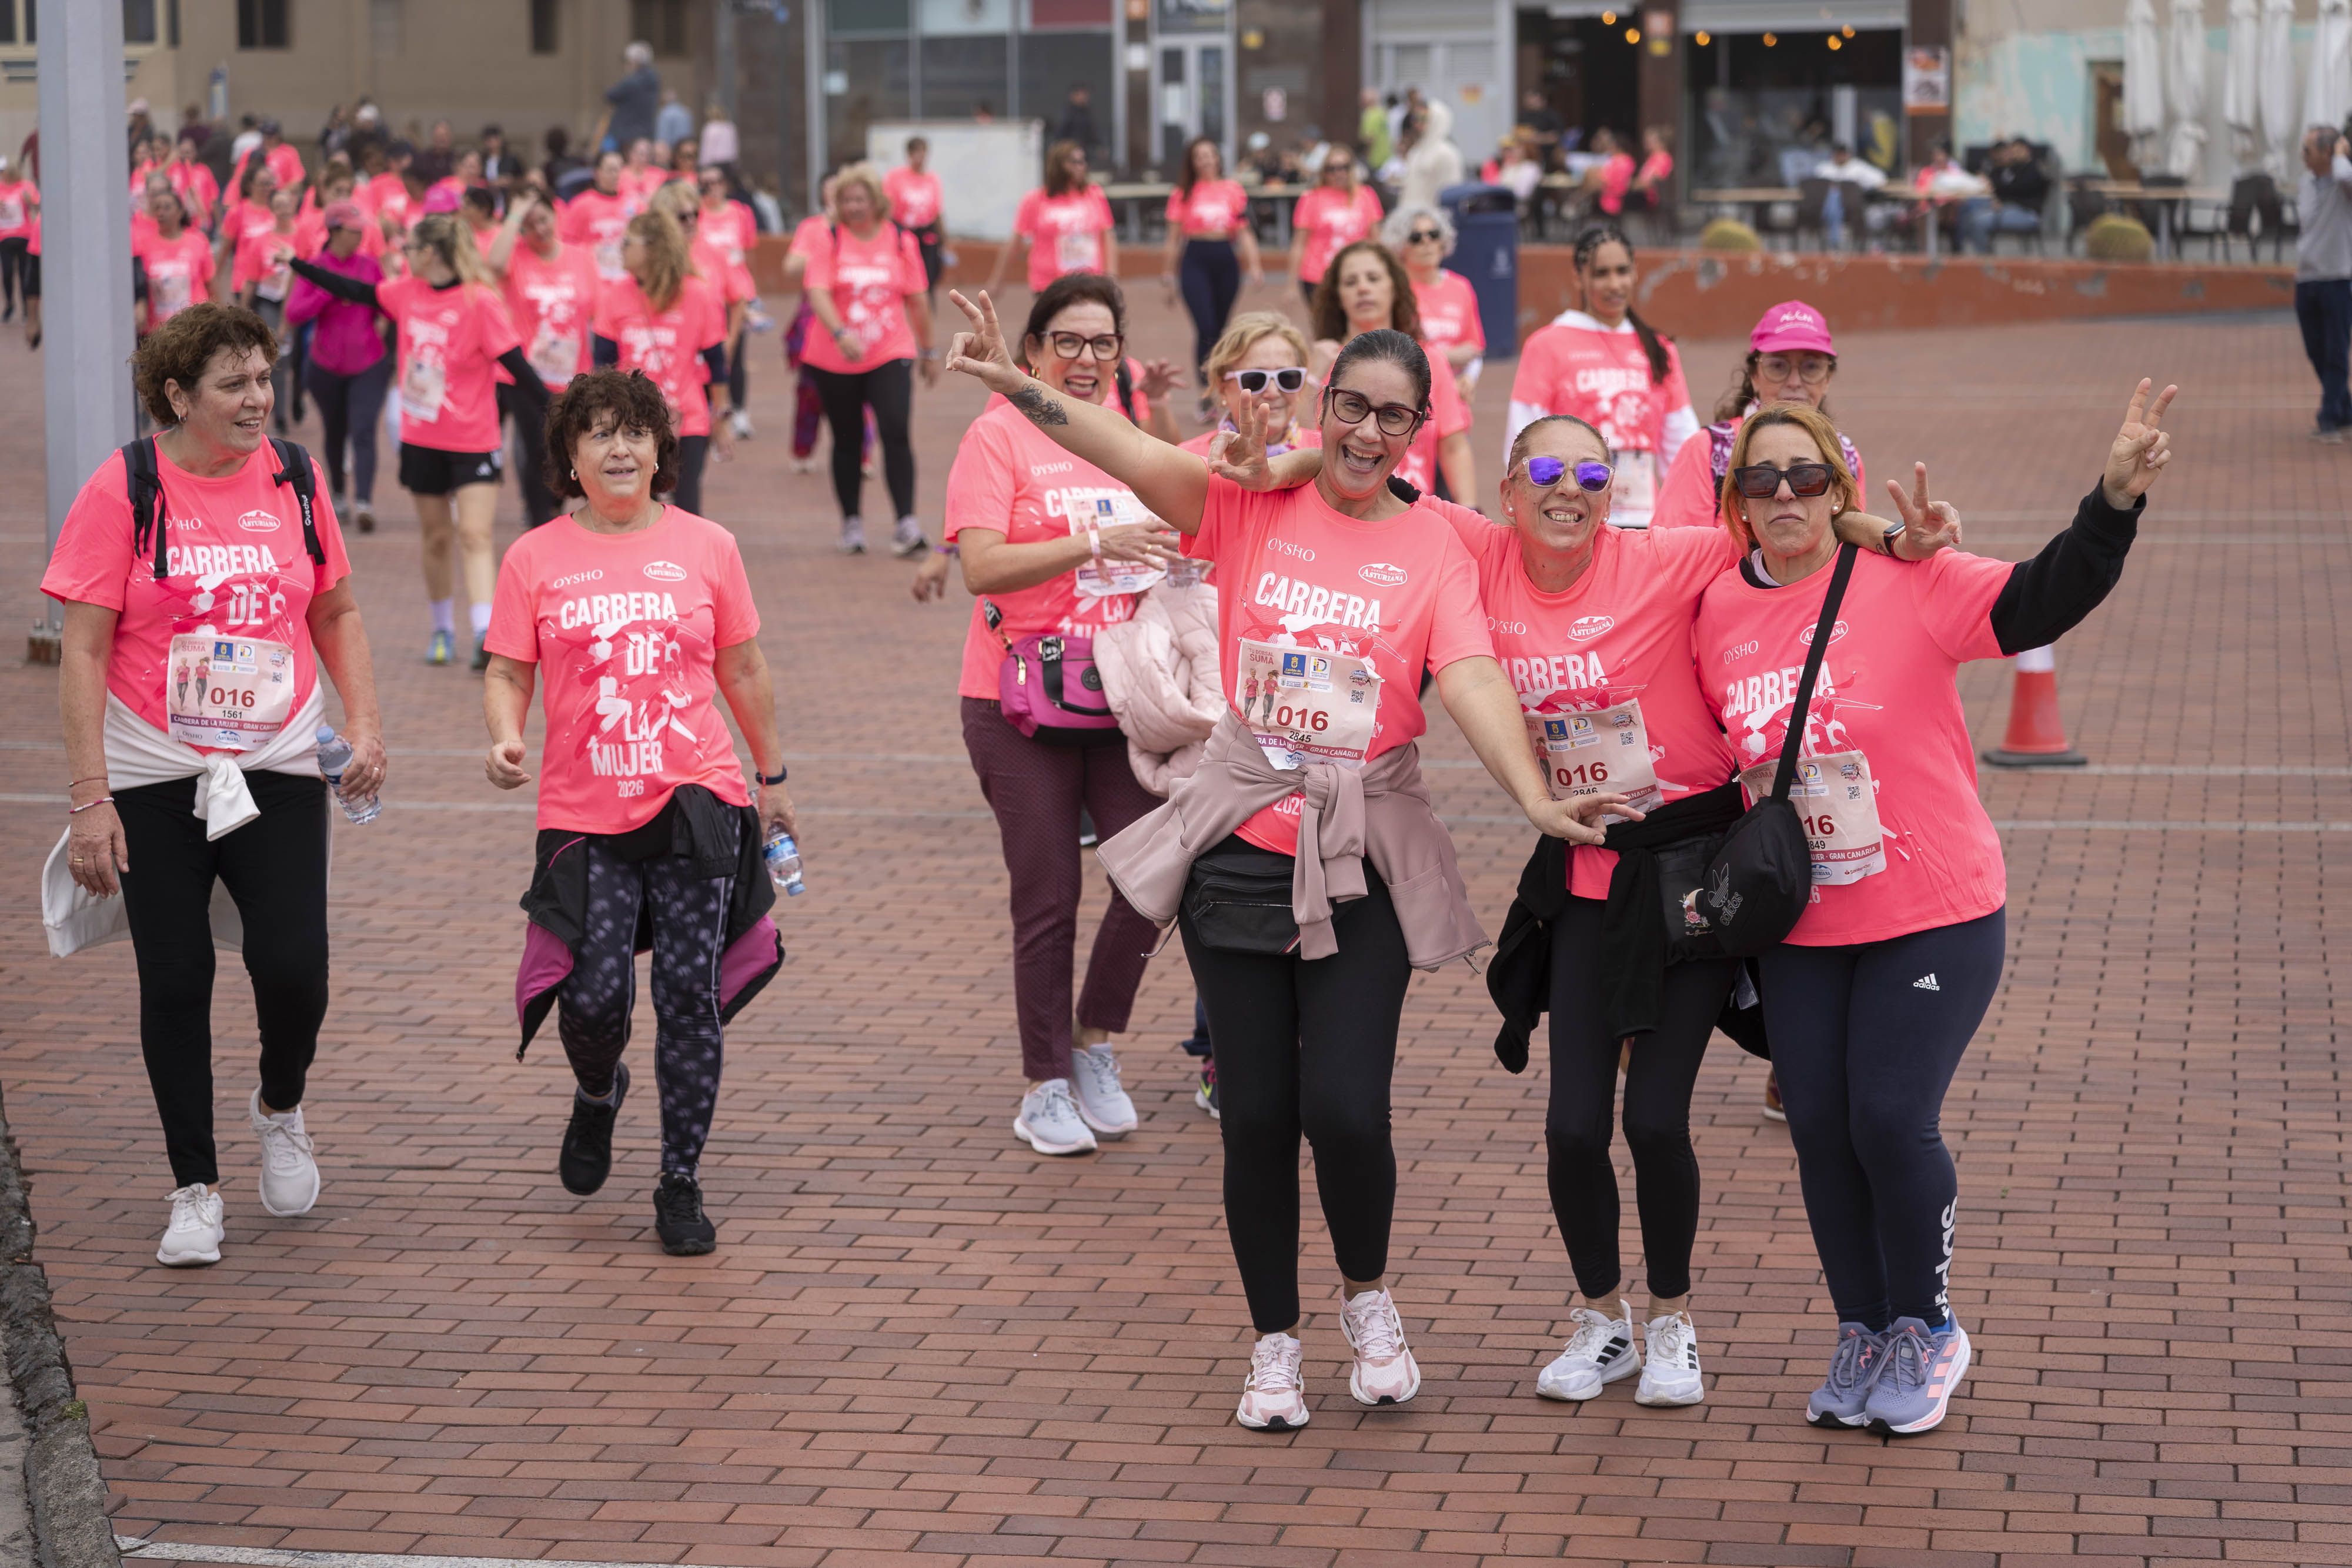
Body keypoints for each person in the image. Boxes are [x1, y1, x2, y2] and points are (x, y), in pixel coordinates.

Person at [940, 288, 1629, 1432]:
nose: (1367, 431)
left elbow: (1467, 673)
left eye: (1393, 415)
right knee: (1256, 1114)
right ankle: (1274, 1343)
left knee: (1346, 1109)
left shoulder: (1436, 541)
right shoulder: (1245, 501)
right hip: (1237, 845)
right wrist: (1013, 384)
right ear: (1325, 403)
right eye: (1350, 406)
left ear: (1417, 429)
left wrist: (1535, 796)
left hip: (1363, 855)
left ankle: (1367, 1297)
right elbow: (1119, 446)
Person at [1691, 383, 2175, 1435]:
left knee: (1887, 1116)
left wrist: (2112, 502)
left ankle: (1928, 1327)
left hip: (1934, 907)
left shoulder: (1910, 576)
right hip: (1805, 923)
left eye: (1806, 475)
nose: (1785, 494)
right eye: (1762, 478)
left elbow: (2041, 600)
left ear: (1839, 488)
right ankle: (1864, 1329)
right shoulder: (1717, 609)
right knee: (1820, 1127)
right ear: (1736, 501)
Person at [42, 302, 385, 1269]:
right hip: (154, 768)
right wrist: (90, 795)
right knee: (176, 974)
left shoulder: (295, 476)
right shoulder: (126, 485)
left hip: (275, 758)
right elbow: (83, 649)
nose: (257, 399)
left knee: (295, 964)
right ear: (177, 395)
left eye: (264, 378)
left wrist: (364, 723)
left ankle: (281, 1103)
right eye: (233, 384)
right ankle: (194, 1186)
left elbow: (337, 610)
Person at [485, 367, 791, 1257]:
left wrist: (773, 776)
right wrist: (504, 736)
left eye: (636, 432)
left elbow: (742, 666)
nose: (619, 448)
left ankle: (679, 1179)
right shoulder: (534, 556)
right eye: (599, 433)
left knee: (688, 996)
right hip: (584, 808)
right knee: (593, 996)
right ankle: (597, 1090)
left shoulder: (709, 545)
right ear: (570, 457)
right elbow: (507, 669)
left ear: (660, 451)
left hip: (698, 796)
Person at [926, 273, 1180, 1158]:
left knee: (1155, 874)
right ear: (1032, 352)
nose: (1084, 358)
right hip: (1016, 701)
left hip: (1122, 696)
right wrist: (1094, 543)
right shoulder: (997, 434)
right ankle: (1044, 1085)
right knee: (1049, 894)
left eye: (1102, 342)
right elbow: (983, 568)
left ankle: (1091, 1039)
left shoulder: (1125, 438)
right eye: (1066, 341)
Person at [289, 215, 554, 668]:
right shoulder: (406, 293)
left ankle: (483, 631)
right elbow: (352, 290)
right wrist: (296, 264)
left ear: (430, 253)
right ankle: (442, 629)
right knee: (436, 538)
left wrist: (561, 411)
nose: (405, 255)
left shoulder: (479, 301)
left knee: (475, 534)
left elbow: (518, 365)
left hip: (474, 439)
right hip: (423, 439)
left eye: (411, 248)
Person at [1505, 225, 1695, 530]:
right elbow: (1522, 441)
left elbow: (1682, 445)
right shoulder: (1546, 345)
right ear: (1578, 277)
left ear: (1635, 272)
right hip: (1575, 515)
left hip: (1645, 519)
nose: (1614, 284)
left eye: (1622, 271)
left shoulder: (1660, 349)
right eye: (1601, 274)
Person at [794, 162, 934, 557]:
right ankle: (852, 522)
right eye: (846, 200)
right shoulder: (829, 238)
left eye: (860, 199)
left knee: (896, 429)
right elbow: (817, 291)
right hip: (834, 356)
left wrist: (928, 350)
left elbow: (918, 299)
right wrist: (841, 332)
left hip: (890, 351)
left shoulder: (901, 240)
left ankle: (906, 523)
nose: (854, 206)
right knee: (848, 438)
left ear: (877, 201)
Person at [1654, 299, 1867, 549]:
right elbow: (1672, 553)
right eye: (1778, 366)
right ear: (1754, 375)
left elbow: (1851, 546)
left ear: (1828, 378)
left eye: (1811, 367)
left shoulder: (1846, 455)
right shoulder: (1706, 450)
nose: (1795, 381)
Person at [591, 208, 735, 517]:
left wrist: (721, 418)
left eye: (628, 242)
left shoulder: (697, 294)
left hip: (688, 418)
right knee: (640, 510)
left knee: (687, 510)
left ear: (652, 248)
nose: (621, 248)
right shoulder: (615, 295)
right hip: (632, 423)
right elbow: (601, 365)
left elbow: (717, 363)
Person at [1309, 239, 1473, 499]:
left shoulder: (1430, 360)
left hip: (1411, 509)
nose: (1363, 288)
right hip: (1338, 507)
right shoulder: (1321, 362)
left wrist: (1469, 507)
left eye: (1373, 278)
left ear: (1394, 288)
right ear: (1338, 297)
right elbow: (1302, 441)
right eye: (1351, 282)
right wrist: (1311, 377)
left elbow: (1453, 447)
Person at [487, 190, 600, 527]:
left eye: (544, 219)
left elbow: (595, 311)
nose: (539, 229)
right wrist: (514, 214)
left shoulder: (580, 257)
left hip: (573, 373)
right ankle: (539, 519)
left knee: (567, 445)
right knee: (537, 445)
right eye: (530, 224)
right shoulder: (515, 256)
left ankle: (553, 505)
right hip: (525, 375)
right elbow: (493, 264)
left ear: (555, 216)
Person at [286, 201, 392, 534]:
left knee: (363, 429)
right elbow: (294, 312)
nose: (360, 236)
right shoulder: (316, 268)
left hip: (368, 363)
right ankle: (340, 494)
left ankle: (364, 502)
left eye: (362, 231)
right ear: (333, 231)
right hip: (326, 366)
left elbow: (388, 305)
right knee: (335, 430)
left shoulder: (369, 265)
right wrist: (327, 294)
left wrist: (382, 323)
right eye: (353, 231)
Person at [1161, 136, 1264, 402]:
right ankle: (1204, 392)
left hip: (1226, 260)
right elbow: (1173, 239)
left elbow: (1245, 232)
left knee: (1219, 329)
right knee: (1205, 326)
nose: (1206, 160)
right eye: (1199, 156)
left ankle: (1221, 387)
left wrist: (1255, 265)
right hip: (1195, 260)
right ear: (1192, 162)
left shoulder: (1232, 190)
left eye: (1210, 154)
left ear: (1218, 158)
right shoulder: (1183, 194)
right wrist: (1168, 275)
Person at [1180, 311, 1318, 463]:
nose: (1273, 392)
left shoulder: (1325, 455)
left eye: (1287, 378)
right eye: (1255, 380)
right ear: (1222, 387)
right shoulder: (1190, 460)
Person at [988, 141, 1116, 297]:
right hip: (1050, 285)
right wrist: (997, 281)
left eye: (1083, 161)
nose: (1081, 166)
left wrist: (1111, 277)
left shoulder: (1094, 194)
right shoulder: (1035, 200)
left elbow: (1107, 236)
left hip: (1089, 282)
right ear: (1058, 165)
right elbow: (1015, 243)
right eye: (1075, 162)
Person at [1385, 205, 1484, 393]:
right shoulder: (1393, 290)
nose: (1427, 242)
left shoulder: (1461, 287)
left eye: (1434, 234)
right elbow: (1390, 353)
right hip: (1408, 393)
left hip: (1453, 393)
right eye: (1416, 238)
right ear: (1400, 246)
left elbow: (1474, 349)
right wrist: (1446, 356)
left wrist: (1468, 380)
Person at [694, 166, 762, 439]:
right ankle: (709, 411)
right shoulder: (694, 215)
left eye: (717, 182)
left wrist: (751, 290)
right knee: (708, 355)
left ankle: (740, 412)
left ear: (726, 184)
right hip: (706, 293)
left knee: (736, 352)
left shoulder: (739, 213)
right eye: (705, 183)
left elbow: (749, 254)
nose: (712, 187)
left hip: (736, 295)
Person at [232, 185, 305, 433]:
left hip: (300, 304)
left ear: (294, 205)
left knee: (301, 359)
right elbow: (252, 279)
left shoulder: (303, 237)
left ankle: (297, 398)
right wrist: (242, 312)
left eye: (287, 204)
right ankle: (280, 415)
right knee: (278, 356)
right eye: (278, 206)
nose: (284, 210)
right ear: (272, 209)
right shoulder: (261, 241)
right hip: (270, 303)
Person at [2296, 126, 2352, 443]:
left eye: (2308, 150)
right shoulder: (2306, 182)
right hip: (2306, 278)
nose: (2303, 156)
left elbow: (2345, 176)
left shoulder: (2344, 184)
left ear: (2327, 153)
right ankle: (2345, 410)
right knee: (2315, 349)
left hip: (2337, 278)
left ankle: (2329, 417)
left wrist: (2342, 154)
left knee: (2336, 351)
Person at [1287, 146, 1384, 309]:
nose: (1339, 173)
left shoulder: (1366, 195)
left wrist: (1381, 270)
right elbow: (1299, 243)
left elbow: (1376, 239)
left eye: (1344, 167)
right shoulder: (1311, 198)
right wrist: (1291, 284)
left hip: (1356, 274)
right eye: (1332, 169)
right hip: (1318, 276)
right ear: (1324, 172)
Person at [134, 186, 213, 336]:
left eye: (167, 207)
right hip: (159, 330)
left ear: (180, 212)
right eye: (157, 208)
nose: (161, 213)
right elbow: (139, 284)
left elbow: (211, 283)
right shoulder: (144, 245)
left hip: (195, 327)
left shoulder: (197, 241)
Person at [562, 149, 637, 282]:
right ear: (597, 173)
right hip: (592, 276)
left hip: (625, 276)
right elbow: (567, 245)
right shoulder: (581, 204)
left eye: (619, 170)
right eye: (611, 170)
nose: (616, 175)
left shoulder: (634, 202)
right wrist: (591, 250)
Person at [886, 138, 947, 296]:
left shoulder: (932, 179)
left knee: (930, 272)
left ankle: (928, 303)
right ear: (909, 155)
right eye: (915, 152)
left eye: (922, 152)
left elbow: (937, 210)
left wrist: (944, 239)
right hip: (904, 231)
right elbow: (888, 208)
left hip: (927, 232)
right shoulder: (896, 177)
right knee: (905, 273)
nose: (919, 157)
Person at [1813, 142, 1889, 248]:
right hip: (1827, 209)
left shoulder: (1857, 167)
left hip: (1854, 208)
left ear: (1847, 154)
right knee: (1833, 197)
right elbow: (1813, 186)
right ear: (1833, 155)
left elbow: (1881, 178)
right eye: (1838, 154)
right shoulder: (1824, 168)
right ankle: (1834, 241)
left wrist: (1863, 186)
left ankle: (1834, 242)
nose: (1841, 156)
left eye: (1843, 153)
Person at [1396, 101, 1465, 216]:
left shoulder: (1447, 154)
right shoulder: (1416, 152)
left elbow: (1450, 194)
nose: (1418, 125)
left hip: (1432, 220)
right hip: (1410, 218)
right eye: (1416, 119)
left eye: (1424, 119)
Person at [1983, 138, 2048, 246]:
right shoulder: (2017, 168)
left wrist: (2003, 202)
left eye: (2018, 151)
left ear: (2027, 151)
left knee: (1979, 222)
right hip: (2012, 208)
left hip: (2027, 213)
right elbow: (2003, 185)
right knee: (1972, 210)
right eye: (2013, 151)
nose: (2015, 154)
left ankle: (1984, 254)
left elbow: (2018, 190)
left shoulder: (2034, 171)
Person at [0, 155, 35, 325]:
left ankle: (27, 309)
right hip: (5, 238)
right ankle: (9, 304)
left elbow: (37, 202)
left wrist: (30, 201)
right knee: (7, 272)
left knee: (23, 274)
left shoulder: (25, 186)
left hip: (23, 237)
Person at [1053, 84, 1100, 163]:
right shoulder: (1067, 113)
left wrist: (1098, 146)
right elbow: (1060, 133)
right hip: (1070, 150)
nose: (1083, 98)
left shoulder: (1087, 113)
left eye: (1085, 95)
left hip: (1084, 150)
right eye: (1080, 95)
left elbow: (1092, 133)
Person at [1359, 88, 1393, 173]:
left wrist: (1365, 156)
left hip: (1375, 159)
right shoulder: (1382, 112)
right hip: (1387, 156)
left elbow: (1369, 139)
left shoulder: (1370, 114)